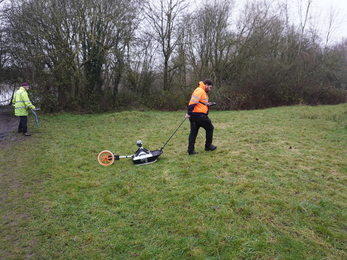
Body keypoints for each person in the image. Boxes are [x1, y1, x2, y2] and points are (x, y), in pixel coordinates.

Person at [185, 79, 217, 155]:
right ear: (206, 85)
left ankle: (190, 150)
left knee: (193, 133)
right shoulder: (200, 90)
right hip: (199, 116)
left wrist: (207, 104)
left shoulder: (202, 91)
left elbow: (199, 102)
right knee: (210, 128)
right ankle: (208, 146)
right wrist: (189, 112)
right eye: (210, 87)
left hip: (194, 115)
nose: (210, 89)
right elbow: (192, 102)